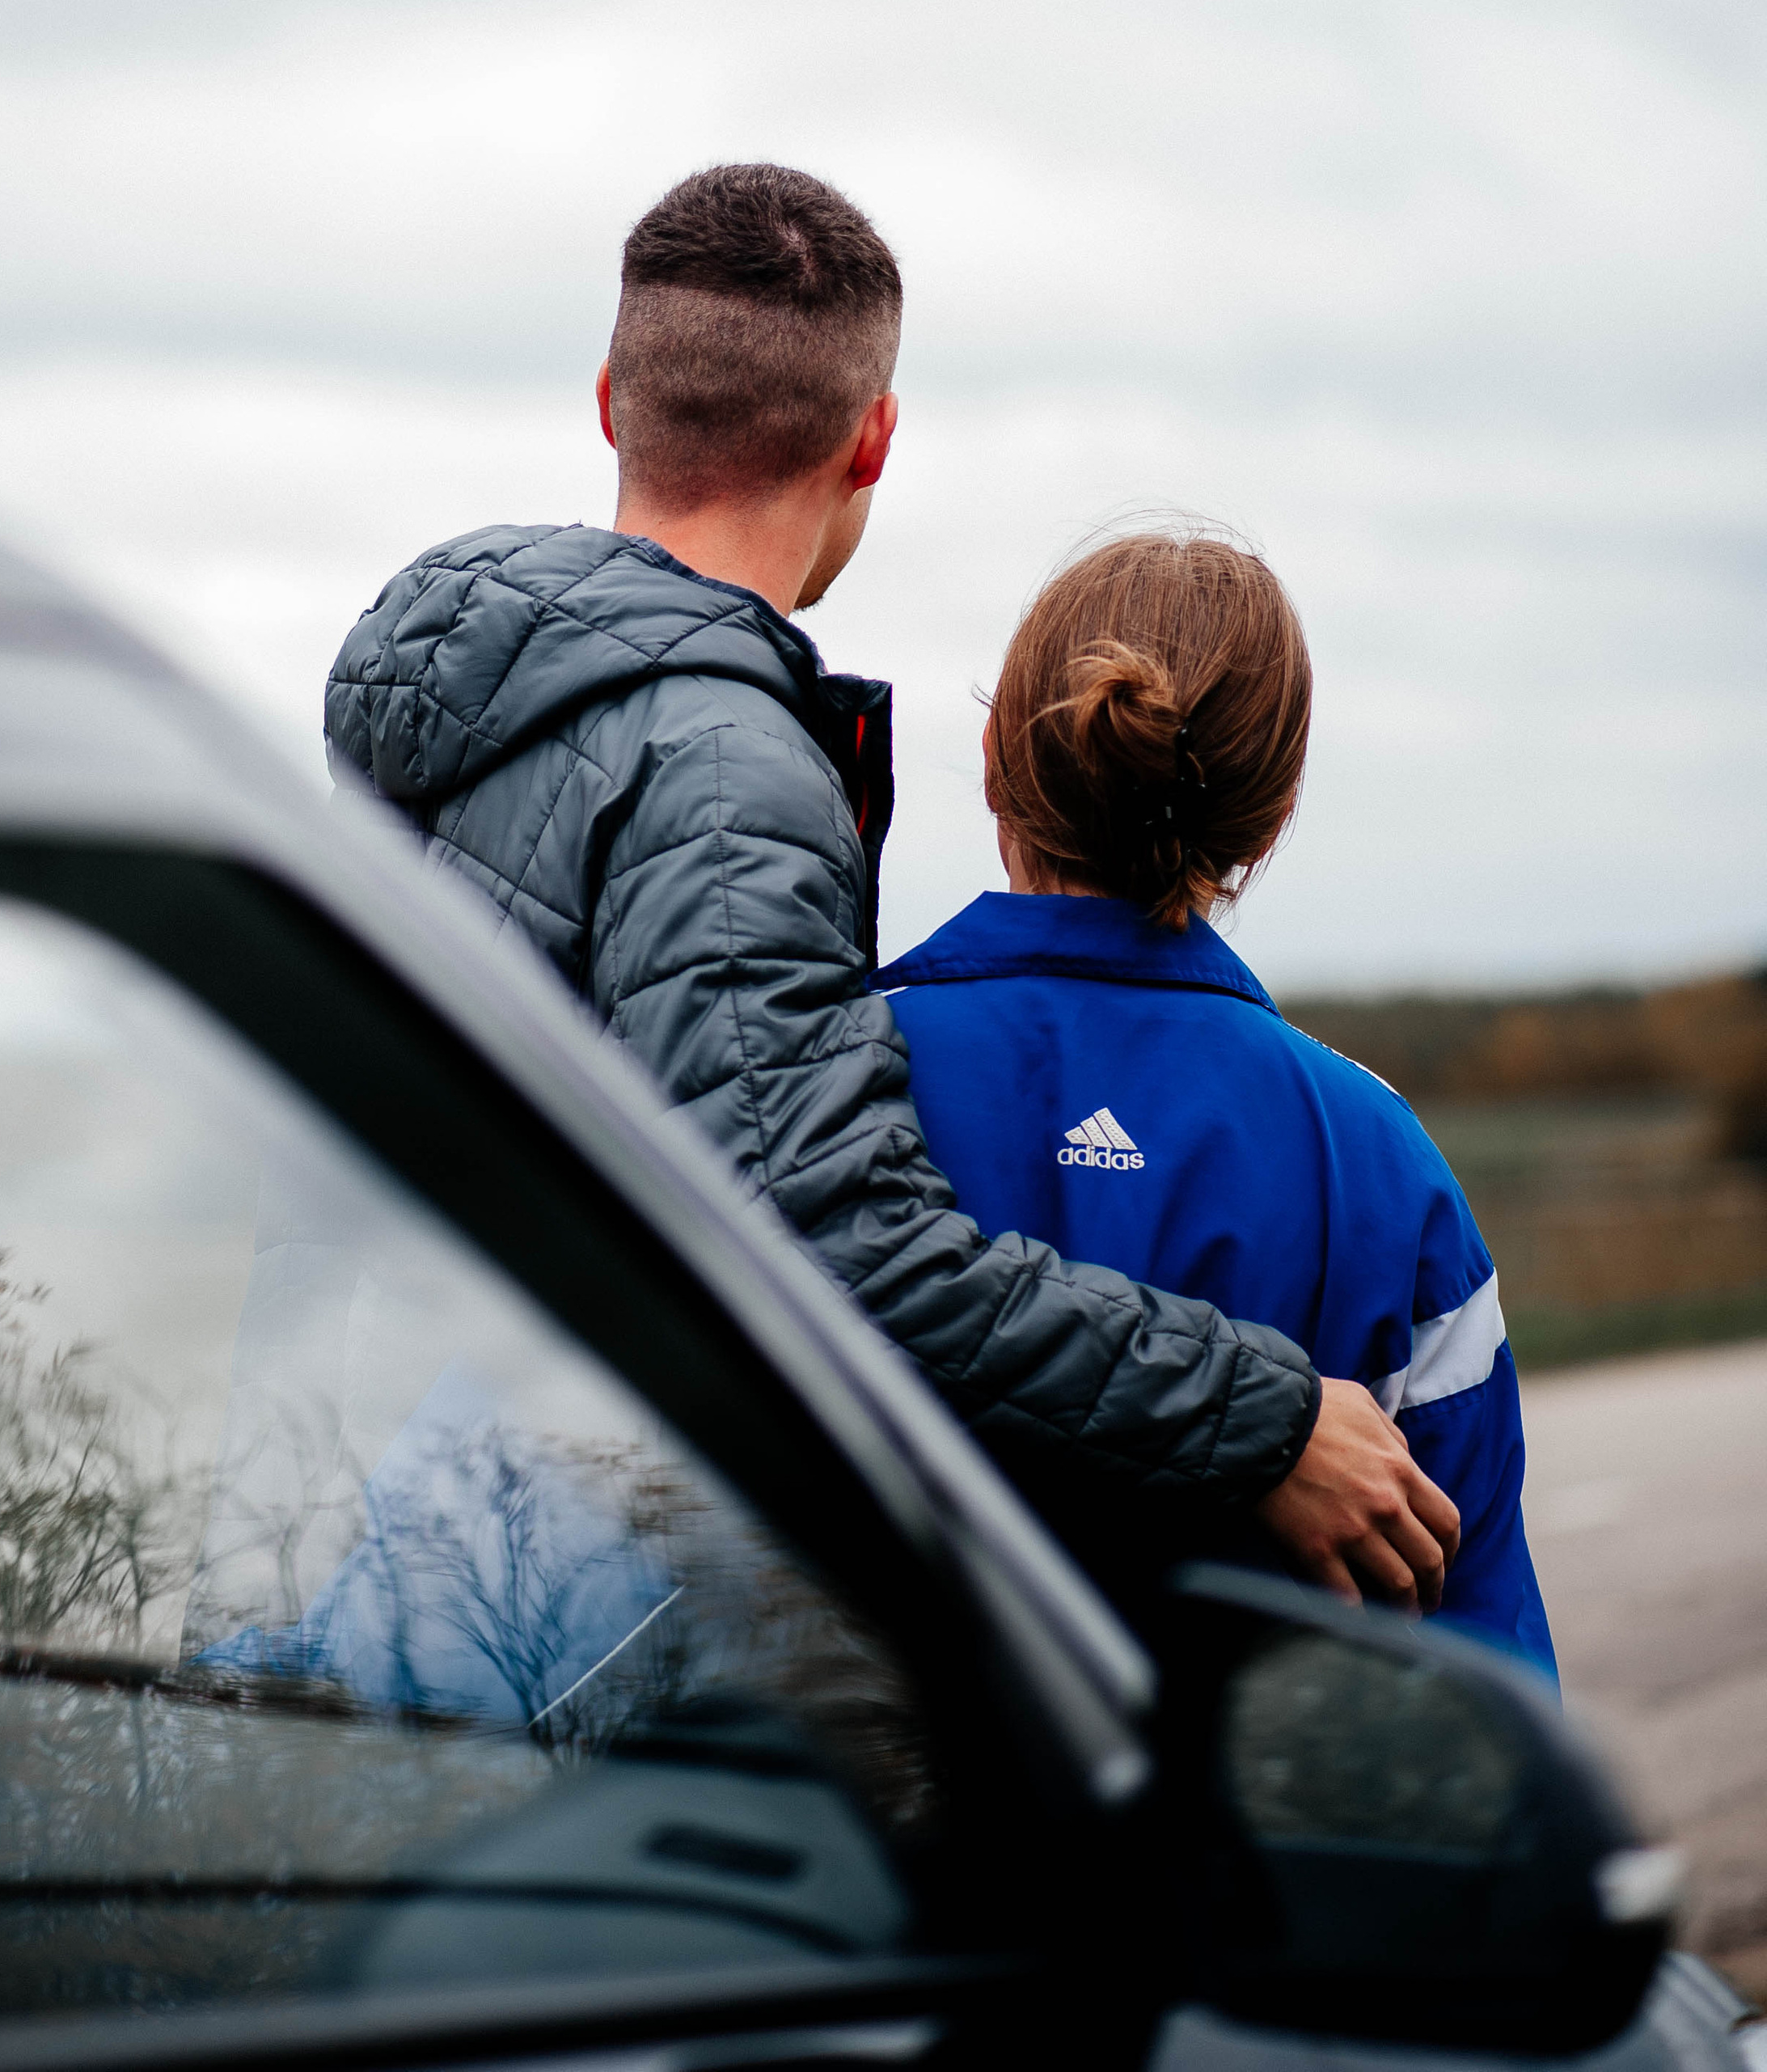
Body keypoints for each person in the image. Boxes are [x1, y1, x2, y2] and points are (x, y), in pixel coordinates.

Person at [326, 163, 1459, 1606]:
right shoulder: (722, 768)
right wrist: (1266, 1418)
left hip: (361, 1525)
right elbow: (822, 1253)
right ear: (875, 441)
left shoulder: (468, 706)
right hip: (520, 1603)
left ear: (613, 399)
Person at [877, 527, 1553, 1668]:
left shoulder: (809, 1082)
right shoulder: (1381, 1159)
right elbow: (1480, 1665)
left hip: (858, 1839)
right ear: (1274, 819)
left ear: (994, 758)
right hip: (1258, 1845)